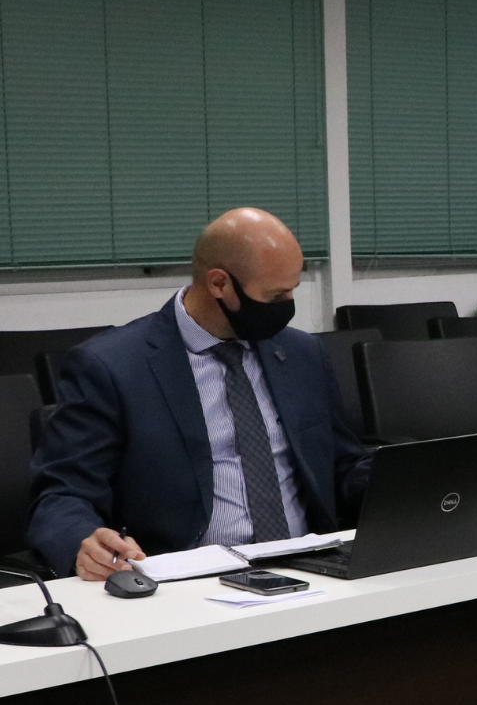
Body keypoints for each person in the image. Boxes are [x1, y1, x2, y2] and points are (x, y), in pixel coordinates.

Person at [29, 208, 373, 579]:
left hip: (310, 566)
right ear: (219, 284)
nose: (288, 305)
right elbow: (62, 493)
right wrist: (84, 543)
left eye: (292, 290)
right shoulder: (111, 367)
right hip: (185, 577)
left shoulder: (302, 354)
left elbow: (342, 466)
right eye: (276, 295)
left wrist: (404, 481)